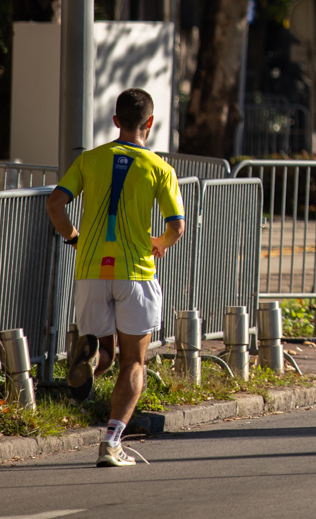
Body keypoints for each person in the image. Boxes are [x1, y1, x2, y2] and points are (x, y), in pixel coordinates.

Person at [43, 88, 185, 466]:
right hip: (135, 272)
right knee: (133, 362)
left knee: (102, 350)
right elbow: (177, 226)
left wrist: (74, 237)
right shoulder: (159, 168)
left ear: (116, 120)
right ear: (150, 122)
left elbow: (55, 204)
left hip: (91, 270)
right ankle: (111, 442)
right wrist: (161, 244)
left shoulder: (89, 159)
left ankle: (91, 360)